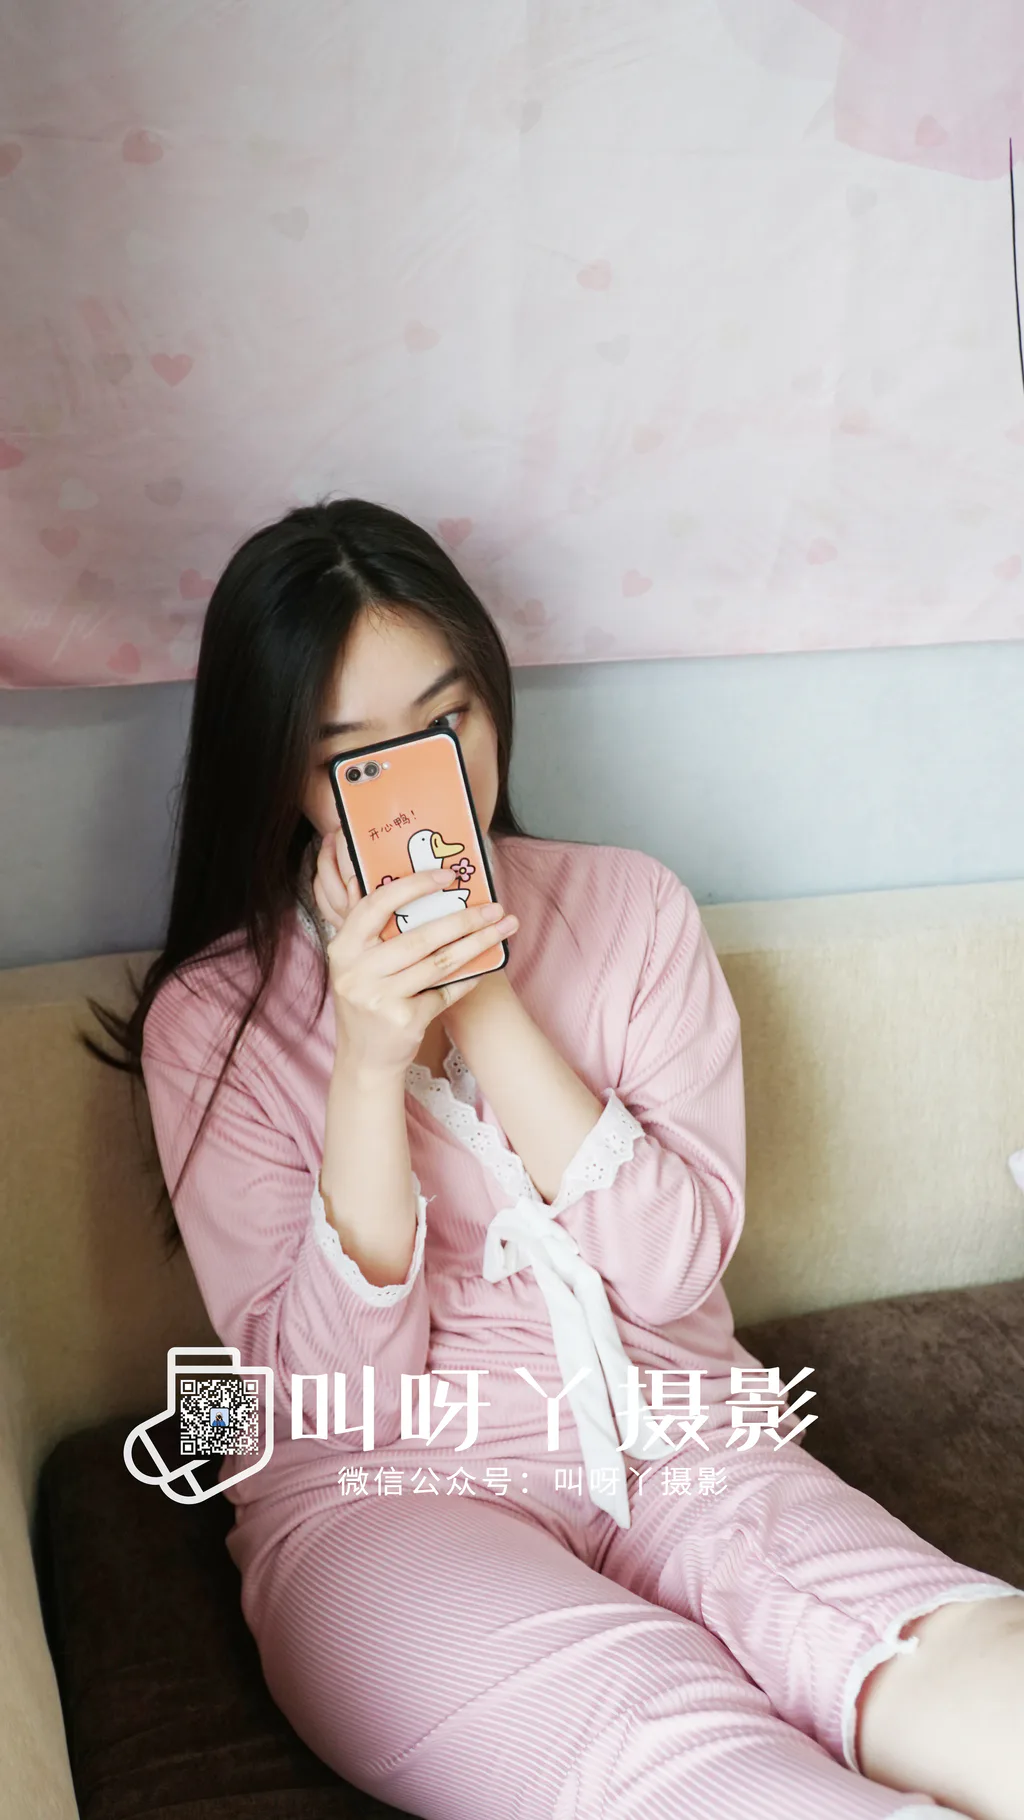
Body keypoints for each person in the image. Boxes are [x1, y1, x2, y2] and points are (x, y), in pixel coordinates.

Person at [89, 497, 1024, 1820]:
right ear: (283, 772)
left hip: (689, 1440)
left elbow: (673, 1270)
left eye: (449, 721)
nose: (420, 778)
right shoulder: (212, 1020)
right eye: (352, 757)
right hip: (385, 1492)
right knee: (682, 1774)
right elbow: (334, 1401)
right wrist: (369, 1063)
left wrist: (480, 993)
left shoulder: (632, 908)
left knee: (980, 1674)